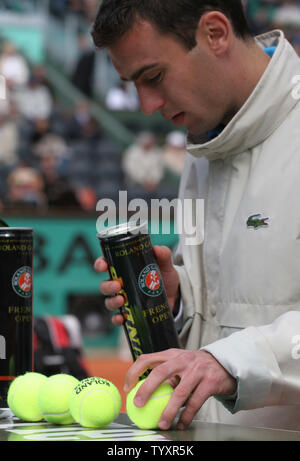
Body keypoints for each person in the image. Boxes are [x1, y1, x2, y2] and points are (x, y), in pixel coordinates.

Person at [92, 0, 300, 432]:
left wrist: (227, 362)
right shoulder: (205, 138)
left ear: (216, 34)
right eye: (133, 84)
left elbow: (229, 354)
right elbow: (234, 310)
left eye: (153, 77)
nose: (146, 104)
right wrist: (180, 300)